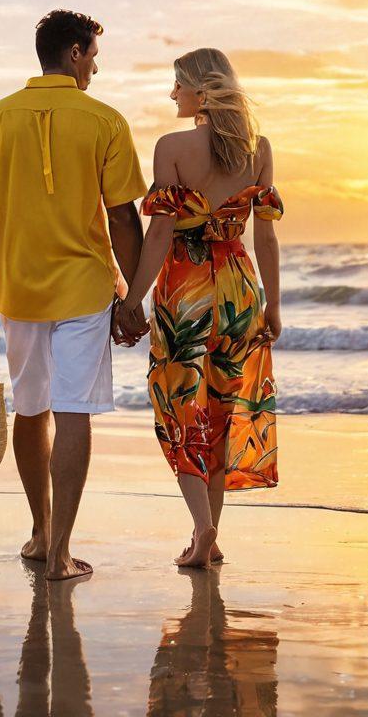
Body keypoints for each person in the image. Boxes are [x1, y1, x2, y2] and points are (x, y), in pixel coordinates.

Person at [0, 9, 148, 582]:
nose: (95, 66)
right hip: (85, 288)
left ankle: (40, 534)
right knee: (75, 410)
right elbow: (122, 218)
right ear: (71, 54)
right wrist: (133, 299)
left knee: (31, 408)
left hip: (17, 288)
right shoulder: (105, 121)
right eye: (92, 55)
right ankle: (61, 548)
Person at [116, 48, 282, 568]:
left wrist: (132, 298)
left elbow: (161, 231)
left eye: (177, 86)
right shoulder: (258, 149)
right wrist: (273, 305)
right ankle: (209, 536)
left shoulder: (171, 147)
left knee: (182, 409)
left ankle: (202, 530)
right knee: (221, 411)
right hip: (239, 286)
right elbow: (267, 237)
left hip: (186, 288)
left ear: (201, 92)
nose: (172, 95)